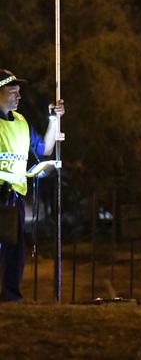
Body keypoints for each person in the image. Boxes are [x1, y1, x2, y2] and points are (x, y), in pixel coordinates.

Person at [0, 69, 64, 302]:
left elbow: (44, 150)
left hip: (14, 196)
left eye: (19, 92)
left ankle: (11, 297)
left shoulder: (21, 123)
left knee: (15, 251)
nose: (18, 97)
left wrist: (54, 120)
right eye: (12, 91)